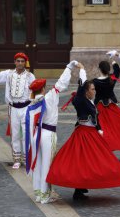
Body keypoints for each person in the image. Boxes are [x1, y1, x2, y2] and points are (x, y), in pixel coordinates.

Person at [46, 68, 120, 200]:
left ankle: (82, 186)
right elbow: (80, 90)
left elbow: (96, 116)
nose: (94, 91)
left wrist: (99, 129)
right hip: (83, 134)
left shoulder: (90, 101)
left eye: (95, 89)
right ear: (86, 91)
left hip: (92, 133)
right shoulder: (80, 100)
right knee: (81, 161)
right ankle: (78, 189)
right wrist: (82, 71)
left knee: (94, 161)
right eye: (92, 89)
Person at [25, 60, 81, 204]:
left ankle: (38, 193)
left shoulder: (31, 102)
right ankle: (45, 196)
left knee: (38, 163)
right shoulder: (49, 97)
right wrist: (69, 67)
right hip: (48, 135)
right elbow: (61, 84)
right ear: (43, 89)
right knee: (46, 165)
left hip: (36, 134)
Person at [0, 52, 35, 169]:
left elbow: (35, 92)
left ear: (25, 63)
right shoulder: (8, 74)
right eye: (18, 61)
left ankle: (26, 159)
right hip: (13, 108)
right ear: (14, 62)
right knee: (15, 134)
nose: (20, 63)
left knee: (26, 134)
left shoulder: (30, 76)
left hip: (26, 108)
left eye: (22, 61)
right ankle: (16, 159)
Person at [92, 60, 120, 153]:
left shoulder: (95, 81)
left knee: (102, 128)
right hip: (112, 107)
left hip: (99, 108)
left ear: (99, 69)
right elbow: (117, 71)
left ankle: (103, 149)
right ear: (108, 69)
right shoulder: (111, 79)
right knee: (116, 127)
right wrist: (114, 62)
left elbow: (85, 87)